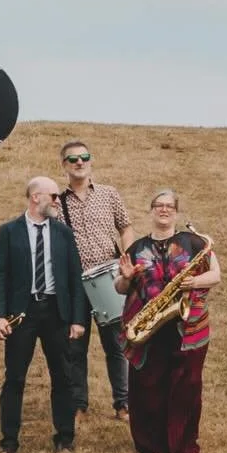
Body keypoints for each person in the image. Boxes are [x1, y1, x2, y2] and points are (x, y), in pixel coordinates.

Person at [115, 189, 221, 453]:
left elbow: (215, 275)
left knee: (187, 386)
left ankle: (185, 446)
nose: (164, 210)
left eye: (169, 206)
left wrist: (194, 282)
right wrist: (126, 278)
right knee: (147, 386)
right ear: (151, 210)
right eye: (158, 205)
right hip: (149, 325)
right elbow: (120, 287)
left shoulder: (195, 242)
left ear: (176, 211)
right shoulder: (136, 248)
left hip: (187, 325)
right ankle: (150, 445)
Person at [0, 177, 86, 453]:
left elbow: (74, 278)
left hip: (56, 312)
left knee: (63, 377)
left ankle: (65, 439)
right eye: (54, 196)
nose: (58, 201)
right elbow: (0, 276)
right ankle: (9, 444)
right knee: (15, 378)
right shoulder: (9, 231)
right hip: (23, 313)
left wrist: (77, 319)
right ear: (35, 198)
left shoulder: (63, 233)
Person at [55, 138, 135, 422]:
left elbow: (125, 228)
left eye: (84, 157)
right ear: (63, 165)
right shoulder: (57, 202)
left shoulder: (109, 194)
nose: (80, 162)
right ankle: (79, 404)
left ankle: (123, 403)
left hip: (109, 280)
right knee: (75, 347)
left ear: (90, 161)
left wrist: (126, 258)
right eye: (73, 159)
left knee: (116, 345)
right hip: (75, 284)